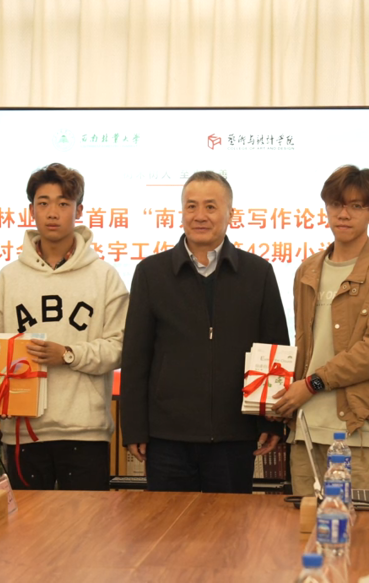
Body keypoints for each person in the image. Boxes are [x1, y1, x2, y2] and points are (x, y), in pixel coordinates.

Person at [121, 171, 290, 493]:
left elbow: (274, 351)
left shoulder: (258, 273)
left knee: (228, 525)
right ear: (181, 212)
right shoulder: (151, 273)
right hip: (167, 436)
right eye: (191, 206)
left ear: (230, 214)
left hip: (234, 435)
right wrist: (134, 428)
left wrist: (271, 420)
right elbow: (135, 357)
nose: (200, 216)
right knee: (168, 523)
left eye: (211, 207)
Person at [0, 163, 127, 490]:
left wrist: (69, 354)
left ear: (79, 210)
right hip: (24, 432)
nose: (52, 212)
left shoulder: (104, 276)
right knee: (26, 524)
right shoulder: (8, 277)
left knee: (88, 524)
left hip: (85, 431)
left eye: (63, 203)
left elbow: (119, 347)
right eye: (43, 203)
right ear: (31, 210)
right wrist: (3, 391)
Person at [272, 165, 369, 496]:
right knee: (306, 525)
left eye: (356, 206)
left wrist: (313, 383)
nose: (344, 214)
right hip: (305, 429)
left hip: (362, 430)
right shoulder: (307, 270)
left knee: (363, 526)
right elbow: (305, 347)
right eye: (336, 204)